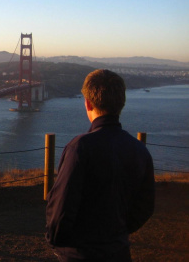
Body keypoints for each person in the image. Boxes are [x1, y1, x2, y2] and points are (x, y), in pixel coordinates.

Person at [45, 69, 155, 262]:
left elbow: (61, 208)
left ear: (88, 103)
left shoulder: (79, 148)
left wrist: (57, 241)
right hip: (119, 253)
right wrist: (117, 233)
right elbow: (145, 206)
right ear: (121, 103)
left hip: (80, 255)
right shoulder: (139, 150)